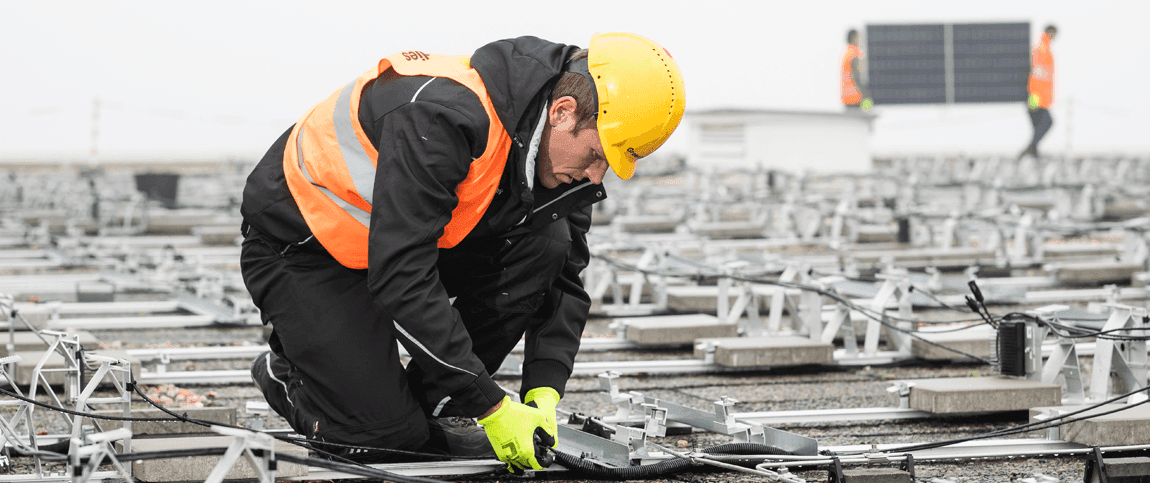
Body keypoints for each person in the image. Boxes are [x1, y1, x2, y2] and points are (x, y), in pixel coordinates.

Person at [239, 33, 685, 473]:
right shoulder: (444, 116)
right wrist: (491, 406)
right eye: (596, 153)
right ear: (563, 112)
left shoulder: (557, 157)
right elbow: (402, 276)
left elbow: (563, 276)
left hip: (395, 248)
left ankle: (419, 405)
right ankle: (290, 376)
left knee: (547, 242)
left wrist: (544, 390)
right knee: (386, 445)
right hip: (304, 252)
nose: (595, 173)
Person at [1019, 24, 1057, 160]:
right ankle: (1030, 148)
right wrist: (1034, 100)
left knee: (1039, 125)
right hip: (1036, 97)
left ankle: (1033, 150)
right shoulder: (1042, 49)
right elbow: (1037, 76)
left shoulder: (1044, 48)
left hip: (1038, 96)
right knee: (1047, 122)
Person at [842, 29, 872, 112]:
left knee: (853, 122)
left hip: (847, 97)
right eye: (859, 37)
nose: (861, 39)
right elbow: (857, 76)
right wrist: (866, 95)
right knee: (867, 115)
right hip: (857, 96)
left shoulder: (847, 53)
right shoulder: (855, 53)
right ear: (853, 38)